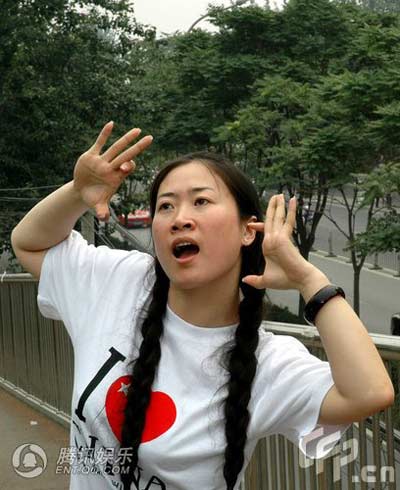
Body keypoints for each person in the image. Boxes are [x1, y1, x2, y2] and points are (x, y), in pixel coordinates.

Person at [11, 122, 394, 490]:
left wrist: (309, 281)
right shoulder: (119, 281)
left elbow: (369, 393)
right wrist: (77, 192)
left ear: (248, 230)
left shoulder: (267, 362)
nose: (180, 219)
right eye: (166, 206)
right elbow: (29, 244)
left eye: (201, 201)